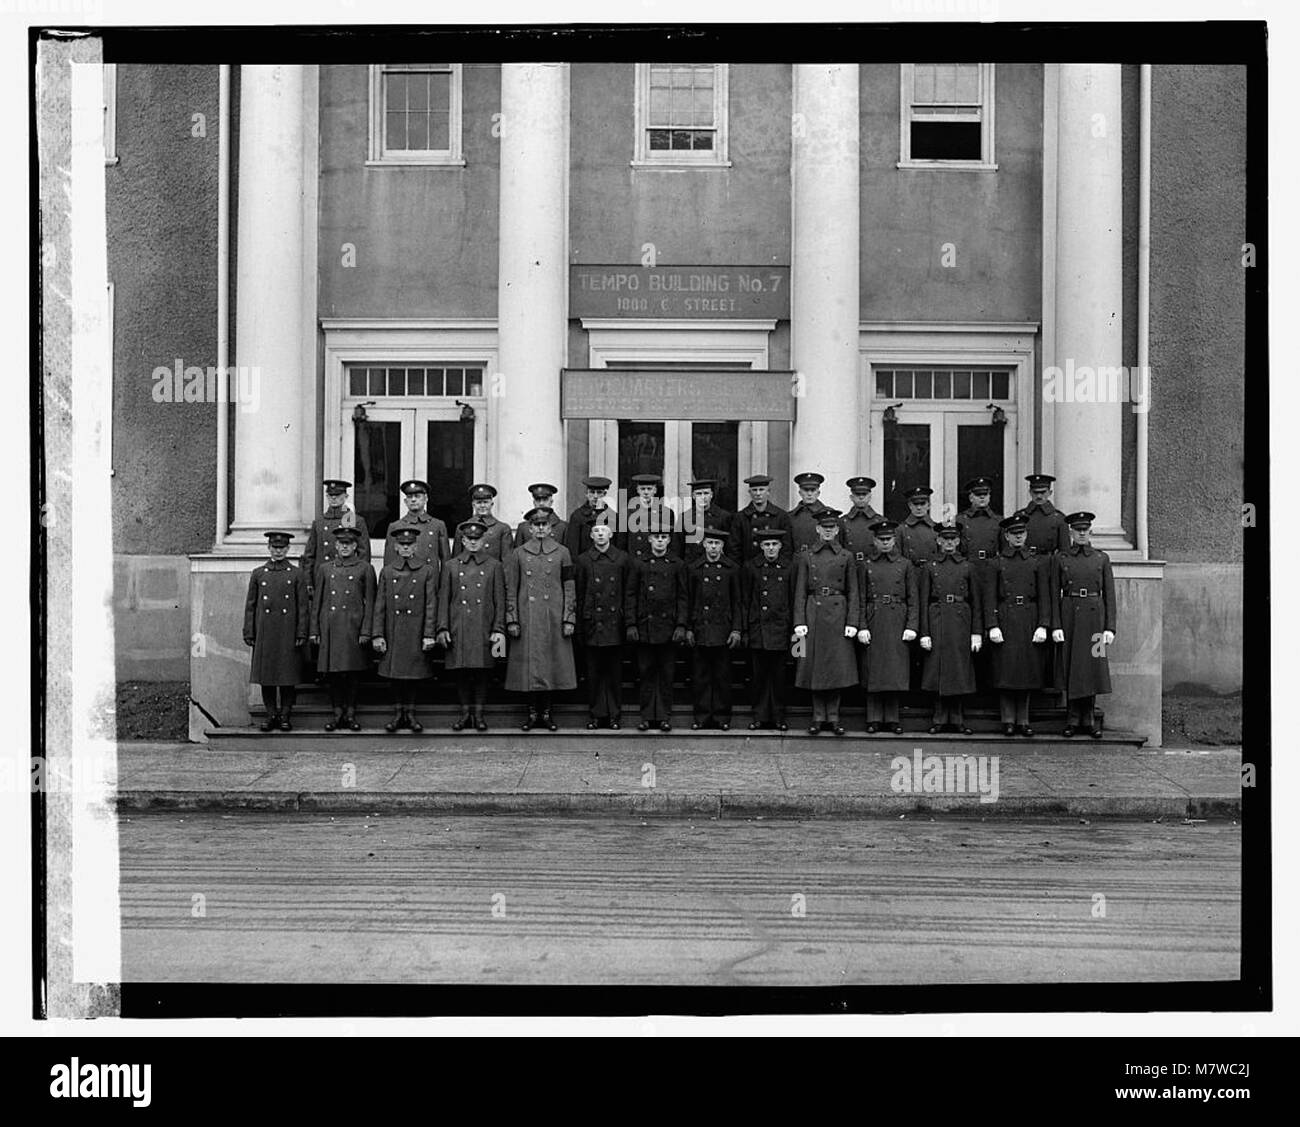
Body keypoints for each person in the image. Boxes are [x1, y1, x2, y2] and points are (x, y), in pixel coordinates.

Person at [506, 507, 577, 731]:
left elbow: (569, 586)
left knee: (550, 667)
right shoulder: (519, 553)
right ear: (529, 527)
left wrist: (568, 618)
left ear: (550, 528)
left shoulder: (562, 552)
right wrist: (512, 618)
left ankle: (546, 713)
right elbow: (512, 587)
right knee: (530, 668)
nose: (540, 529)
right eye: (536, 525)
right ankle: (532, 713)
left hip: (553, 618)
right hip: (527, 619)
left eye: (544, 525)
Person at [1049, 511, 1116, 738]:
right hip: (1070, 615)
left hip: (1095, 620)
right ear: (1070, 532)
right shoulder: (1061, 558)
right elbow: (1053, 593)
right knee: (1072, 667)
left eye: (1084, 530)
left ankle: (1089, 720)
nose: (1081, 534)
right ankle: (1072, 719)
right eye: (1077, 530)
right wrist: (1056, 625)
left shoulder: (1101, 558)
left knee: (1093, 668)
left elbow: (1110, 595)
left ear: (1091, 531)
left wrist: (1110, 628)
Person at [983, 510, 1050, 736]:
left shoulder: (1036, 562)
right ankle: (1008, 719)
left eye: (1022, 533)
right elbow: (989, 596)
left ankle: (1024, 719)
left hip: (1029, 618)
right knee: (1006, 671)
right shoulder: (996, 564)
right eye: (1014, 534)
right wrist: (992, 624)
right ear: (1006, 537)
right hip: (1005, 617)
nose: (1019, 537)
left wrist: (1043, 624)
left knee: (1027, 671)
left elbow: (1044, 595)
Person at [437, 518, 507, 732]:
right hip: (459, 626)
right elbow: (444, 599)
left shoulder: (494, 565)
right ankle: (465, 713)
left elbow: (499, 601)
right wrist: (442, 627)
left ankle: (478, 714)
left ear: (483, 540)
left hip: (483, 627)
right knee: (461, 672)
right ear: (463, 541)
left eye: (477, 539)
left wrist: (498, 629)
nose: (473, 543)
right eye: (469, 539)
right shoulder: (451, 566)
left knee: (483, 671)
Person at [793, 510, 860, 735]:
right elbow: (799, 591)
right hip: (813, 612)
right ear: (817, 529)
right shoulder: (806, 556)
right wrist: (799, 621)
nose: (828, 531)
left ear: (838, 530)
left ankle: (833, 717)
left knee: (836, 667)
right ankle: (817, 716)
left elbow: (854, 592)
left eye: (832, 527)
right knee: (812, 665)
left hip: (838, 614)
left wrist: (852, 621)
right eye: (824, 527)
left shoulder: (847, 557)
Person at [370, 526, 439, 733]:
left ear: (416, 547)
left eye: (409, 545)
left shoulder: (426, 571)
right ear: (396, 548)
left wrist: (429, 634)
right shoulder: (388, 571)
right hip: (394, 630)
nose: (406, 548)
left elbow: (431, 605)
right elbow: (379, 605)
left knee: (413, 675)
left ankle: (410, 713)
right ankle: (398, 713)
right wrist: (378, 634)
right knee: (395, 676)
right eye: (402, 545)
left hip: (416, 631)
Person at [918, 521, 983, 734]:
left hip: (960, 620)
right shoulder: (930, 567)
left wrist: (976, 632)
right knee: (937, 669)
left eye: (953, 539)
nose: (949, 543)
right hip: (936, 618)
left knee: (958, 670)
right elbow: (923, 599)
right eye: (945, 539)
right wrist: (924, 632)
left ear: (958, 541)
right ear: (938, 540)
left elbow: (976, 602)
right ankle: (938, 718)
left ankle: (957, 718)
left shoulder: (967, 566)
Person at [310, 525, 376, 731]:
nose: (344, 547)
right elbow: (318, 602)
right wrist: (315, 630)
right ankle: (337, 713)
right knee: (334, 675)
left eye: (349, 544)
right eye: (341, 544)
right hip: (331, 628)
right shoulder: (325, 569)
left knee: (352, 674)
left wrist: (367, 630)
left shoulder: (365, 568)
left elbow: (371, 602)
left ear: (356, 546)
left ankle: (350, 714)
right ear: (335, 546)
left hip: (354, 628)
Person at [243, 530, 309, 732]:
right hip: (266, 632)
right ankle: (271, 715)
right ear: (269, 548)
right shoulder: (259, 573)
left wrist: (301, 633)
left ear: (288, 549)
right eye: (275, 547)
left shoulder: (296, 574)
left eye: (282, 548)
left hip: (288, 632)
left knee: (287, 677)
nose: (278, 551)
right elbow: (251, 606)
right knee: (268, 677)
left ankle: (285, 716)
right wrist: (249, 631)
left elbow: (302, 607)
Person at [859, 519, 918, 734]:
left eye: (888, 539)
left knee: (894, 670)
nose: (885, 543)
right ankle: (873, 717)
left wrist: (912, 625)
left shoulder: (905, 564)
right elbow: (861, 597)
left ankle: (892, 718)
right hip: (874, 617)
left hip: (897, 618)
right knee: (874, 669)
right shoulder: (866, 565)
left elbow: (913, 597)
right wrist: (861, 625)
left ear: (894, 540)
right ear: (874, 541)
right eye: (881, 539)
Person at [574, 518, 635, 729]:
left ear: (611, 535)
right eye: (596, 531)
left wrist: (628, 623)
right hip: (592, 624)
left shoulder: (622, 559)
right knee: (594, 674)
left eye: (604, 531)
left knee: (614, 674)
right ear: (591, 536)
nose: (600, 534)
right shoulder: (583, 561)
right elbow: (579, 595)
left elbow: (629, 593)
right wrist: (581, 625)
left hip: (614, 625)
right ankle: (596, 715)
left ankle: (614, 715)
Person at [630, 530, 688, 732]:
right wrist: (631, 624)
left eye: (664, 538)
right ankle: (646, 717)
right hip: (645, 626)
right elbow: (631, 595)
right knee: (645, 673)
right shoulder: (639, 563)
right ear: (650, 540)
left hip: (668, 628)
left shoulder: (677, 564)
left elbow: (683, 596)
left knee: (666, 675)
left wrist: (681, 624)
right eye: (656, 537)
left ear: (669, 540)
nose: (660, 541)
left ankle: (664, 717)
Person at [686, 527, 743, 729]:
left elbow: (738, 602)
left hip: (723, 630)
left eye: (717, 544)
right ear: (703, 544)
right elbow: (688, 600)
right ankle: (701, 717)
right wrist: (689, 628)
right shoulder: (694, 568)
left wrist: (736, 629)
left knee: (722, 677)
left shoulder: (731, 569)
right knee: (701, 677)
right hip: (701, 628)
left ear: (722, 546)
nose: (713, 547)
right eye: (710, 543)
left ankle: (722, 717)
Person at [742, 528, 795, 731]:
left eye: (774, 544)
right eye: (767, 545)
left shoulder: (789, 567)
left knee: (780, 676)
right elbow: (745, 600)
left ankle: (779, 716)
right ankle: (760, 716)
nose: (771, 548)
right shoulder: (751, 567)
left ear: (780, 546)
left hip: (782, 630)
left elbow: (792, 600)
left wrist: (794, 634)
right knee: (759, 676)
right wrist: (746, 629)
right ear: (761, 547)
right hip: (758, 629)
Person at [301, 479, 370, 591]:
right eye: (330, 495)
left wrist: (361, 578)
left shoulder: (355, 521)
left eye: (337, 495)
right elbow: (310, 555)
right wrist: (308, 581)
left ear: (345, 496)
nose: (333, 498)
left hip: (347, 576)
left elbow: (363, 553)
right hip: (322, 577)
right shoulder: (319, 522)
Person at [384, 479, 450, 568]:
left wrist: (444, 582)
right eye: (410, 497)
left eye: (417, 496)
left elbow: (446, 561)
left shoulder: (437, 525)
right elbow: (389, 562)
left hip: (432, 579)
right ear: (405, 501)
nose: (413, 500)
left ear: (426, 499)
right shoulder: (395, 526)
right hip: (405, 579)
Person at [619, 472, 680, 562]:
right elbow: (622, 543)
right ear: (638, 490)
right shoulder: (627, 513)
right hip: (635, 562)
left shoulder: (666, 512)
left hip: (657, 561)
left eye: (649, 489)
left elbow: (670, 541)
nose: (646, 492)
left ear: (655, 490)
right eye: (643, 489)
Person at [734, 473, 793, 562]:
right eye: (754, 490)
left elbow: (787, 547)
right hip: (749, 569)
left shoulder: (781, 516)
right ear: (749, 492)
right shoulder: (740, 517)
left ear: (768, 491)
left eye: (761, 490)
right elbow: (734, 549)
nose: (758, 494)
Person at [681, 479, 738, 564]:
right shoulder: (685, 517)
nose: (703, 497)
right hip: (692, 565)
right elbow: (678, 546)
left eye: (706, 493)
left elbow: (730, 546)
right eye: (699, 494)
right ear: (693, 496)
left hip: (716, 565)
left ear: (711, 495)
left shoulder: (724, 516)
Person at [452, 483, 513, 561]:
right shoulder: (462, 528)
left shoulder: (502, 529)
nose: (482, 506)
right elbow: (456, 559)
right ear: (473, 504)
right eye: (479, 503)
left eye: (485, 502)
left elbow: (507, 561)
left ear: (492, 504)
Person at [563, 475, 616, 561]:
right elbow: (573, 547)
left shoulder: (612, 516)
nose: (595, 496)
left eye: (599, 493)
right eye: (592, 492)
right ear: (587, 494)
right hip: (585, 565)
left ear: (605, 494)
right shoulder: (578, 516)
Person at [789, 472, 841, 554]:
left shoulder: (829, 515)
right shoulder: (791, 516)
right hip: (798, 562)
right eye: (806, 490)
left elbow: (837, 543)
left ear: (818, 493)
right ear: (800, 492)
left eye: (813, 490)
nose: (809, 494)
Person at [1022, 473, 1070, 559]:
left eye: (1043, 492)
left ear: (1050, 492)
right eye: (1035, 492)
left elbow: (1065, 551)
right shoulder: (1021, 516)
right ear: (1030, 492)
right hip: (1025, 563)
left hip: (1049, 564)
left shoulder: (1059, 519)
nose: (1039, 496)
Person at [838, 476, 882, 564]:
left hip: (873, 567)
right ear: (851, 497)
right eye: (857, 494)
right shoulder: (842, 522)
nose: (861, 497)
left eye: (864, 494)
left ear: (870, 497)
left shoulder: (880, 521)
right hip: (850, 566)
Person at [514, 482, 567, 546]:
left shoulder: (562, 527)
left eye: (545, 499)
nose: (541, 503)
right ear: (534, 502)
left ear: (551, 502)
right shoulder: (523, 528)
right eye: (538, 500)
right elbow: (517, 553)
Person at [896, 485, 939, 565]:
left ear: (929, 505)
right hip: (910, 573)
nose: (919, 507)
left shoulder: (936, 529)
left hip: (931, 573)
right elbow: (898, 559)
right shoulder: (901, 530)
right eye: (915, 504)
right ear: (910, 506)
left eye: (922, 504)